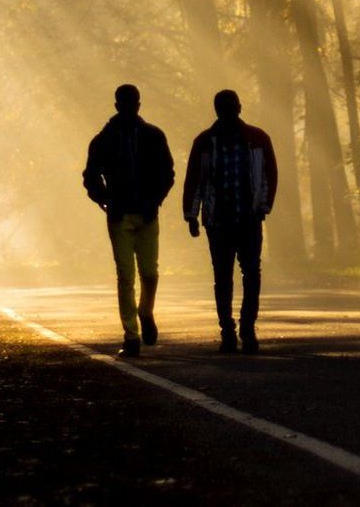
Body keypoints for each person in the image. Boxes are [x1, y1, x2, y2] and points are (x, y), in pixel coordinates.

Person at [182, 87, 280, 352]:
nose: (227, 112)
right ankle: (228, 330)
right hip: (218, 220)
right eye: (222, 108)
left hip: (249, 218)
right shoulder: (204, 142)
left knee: (250, 274)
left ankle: (247, 329)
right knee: (224, 276)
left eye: (231, 107)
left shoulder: (257, 139)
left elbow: (270, 174)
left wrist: (263, 207)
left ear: (239, 108)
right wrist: (191, 215)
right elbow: (194, 179)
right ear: (217, 110)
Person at [81, 83, 175, 356]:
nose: (130, 107)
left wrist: (155, 200)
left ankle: (145, 312)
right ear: (119, 106)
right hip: (120, 215)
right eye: (126, 103)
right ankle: (131, 335)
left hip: (146, 214)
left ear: (137, 104)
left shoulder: (153, 136)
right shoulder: (104, 139)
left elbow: (167, 172)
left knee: (150, 273)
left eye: (132, 103)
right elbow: (90, 175)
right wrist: (105, 200)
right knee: (125, 276)